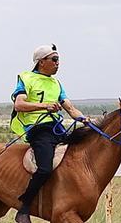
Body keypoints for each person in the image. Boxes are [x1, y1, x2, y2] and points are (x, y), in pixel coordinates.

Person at [10, 44, 88, 223]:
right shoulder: (26, 78)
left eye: (58, 59)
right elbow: (19, 105)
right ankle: (24, 207)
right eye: (54, 59)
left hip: (56, 128)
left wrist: (85, 120)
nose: (58, 63)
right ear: (41, 62)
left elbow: (70, 108)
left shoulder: (56, 83)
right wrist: (44, 106)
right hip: (38, 129)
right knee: (45, 168)